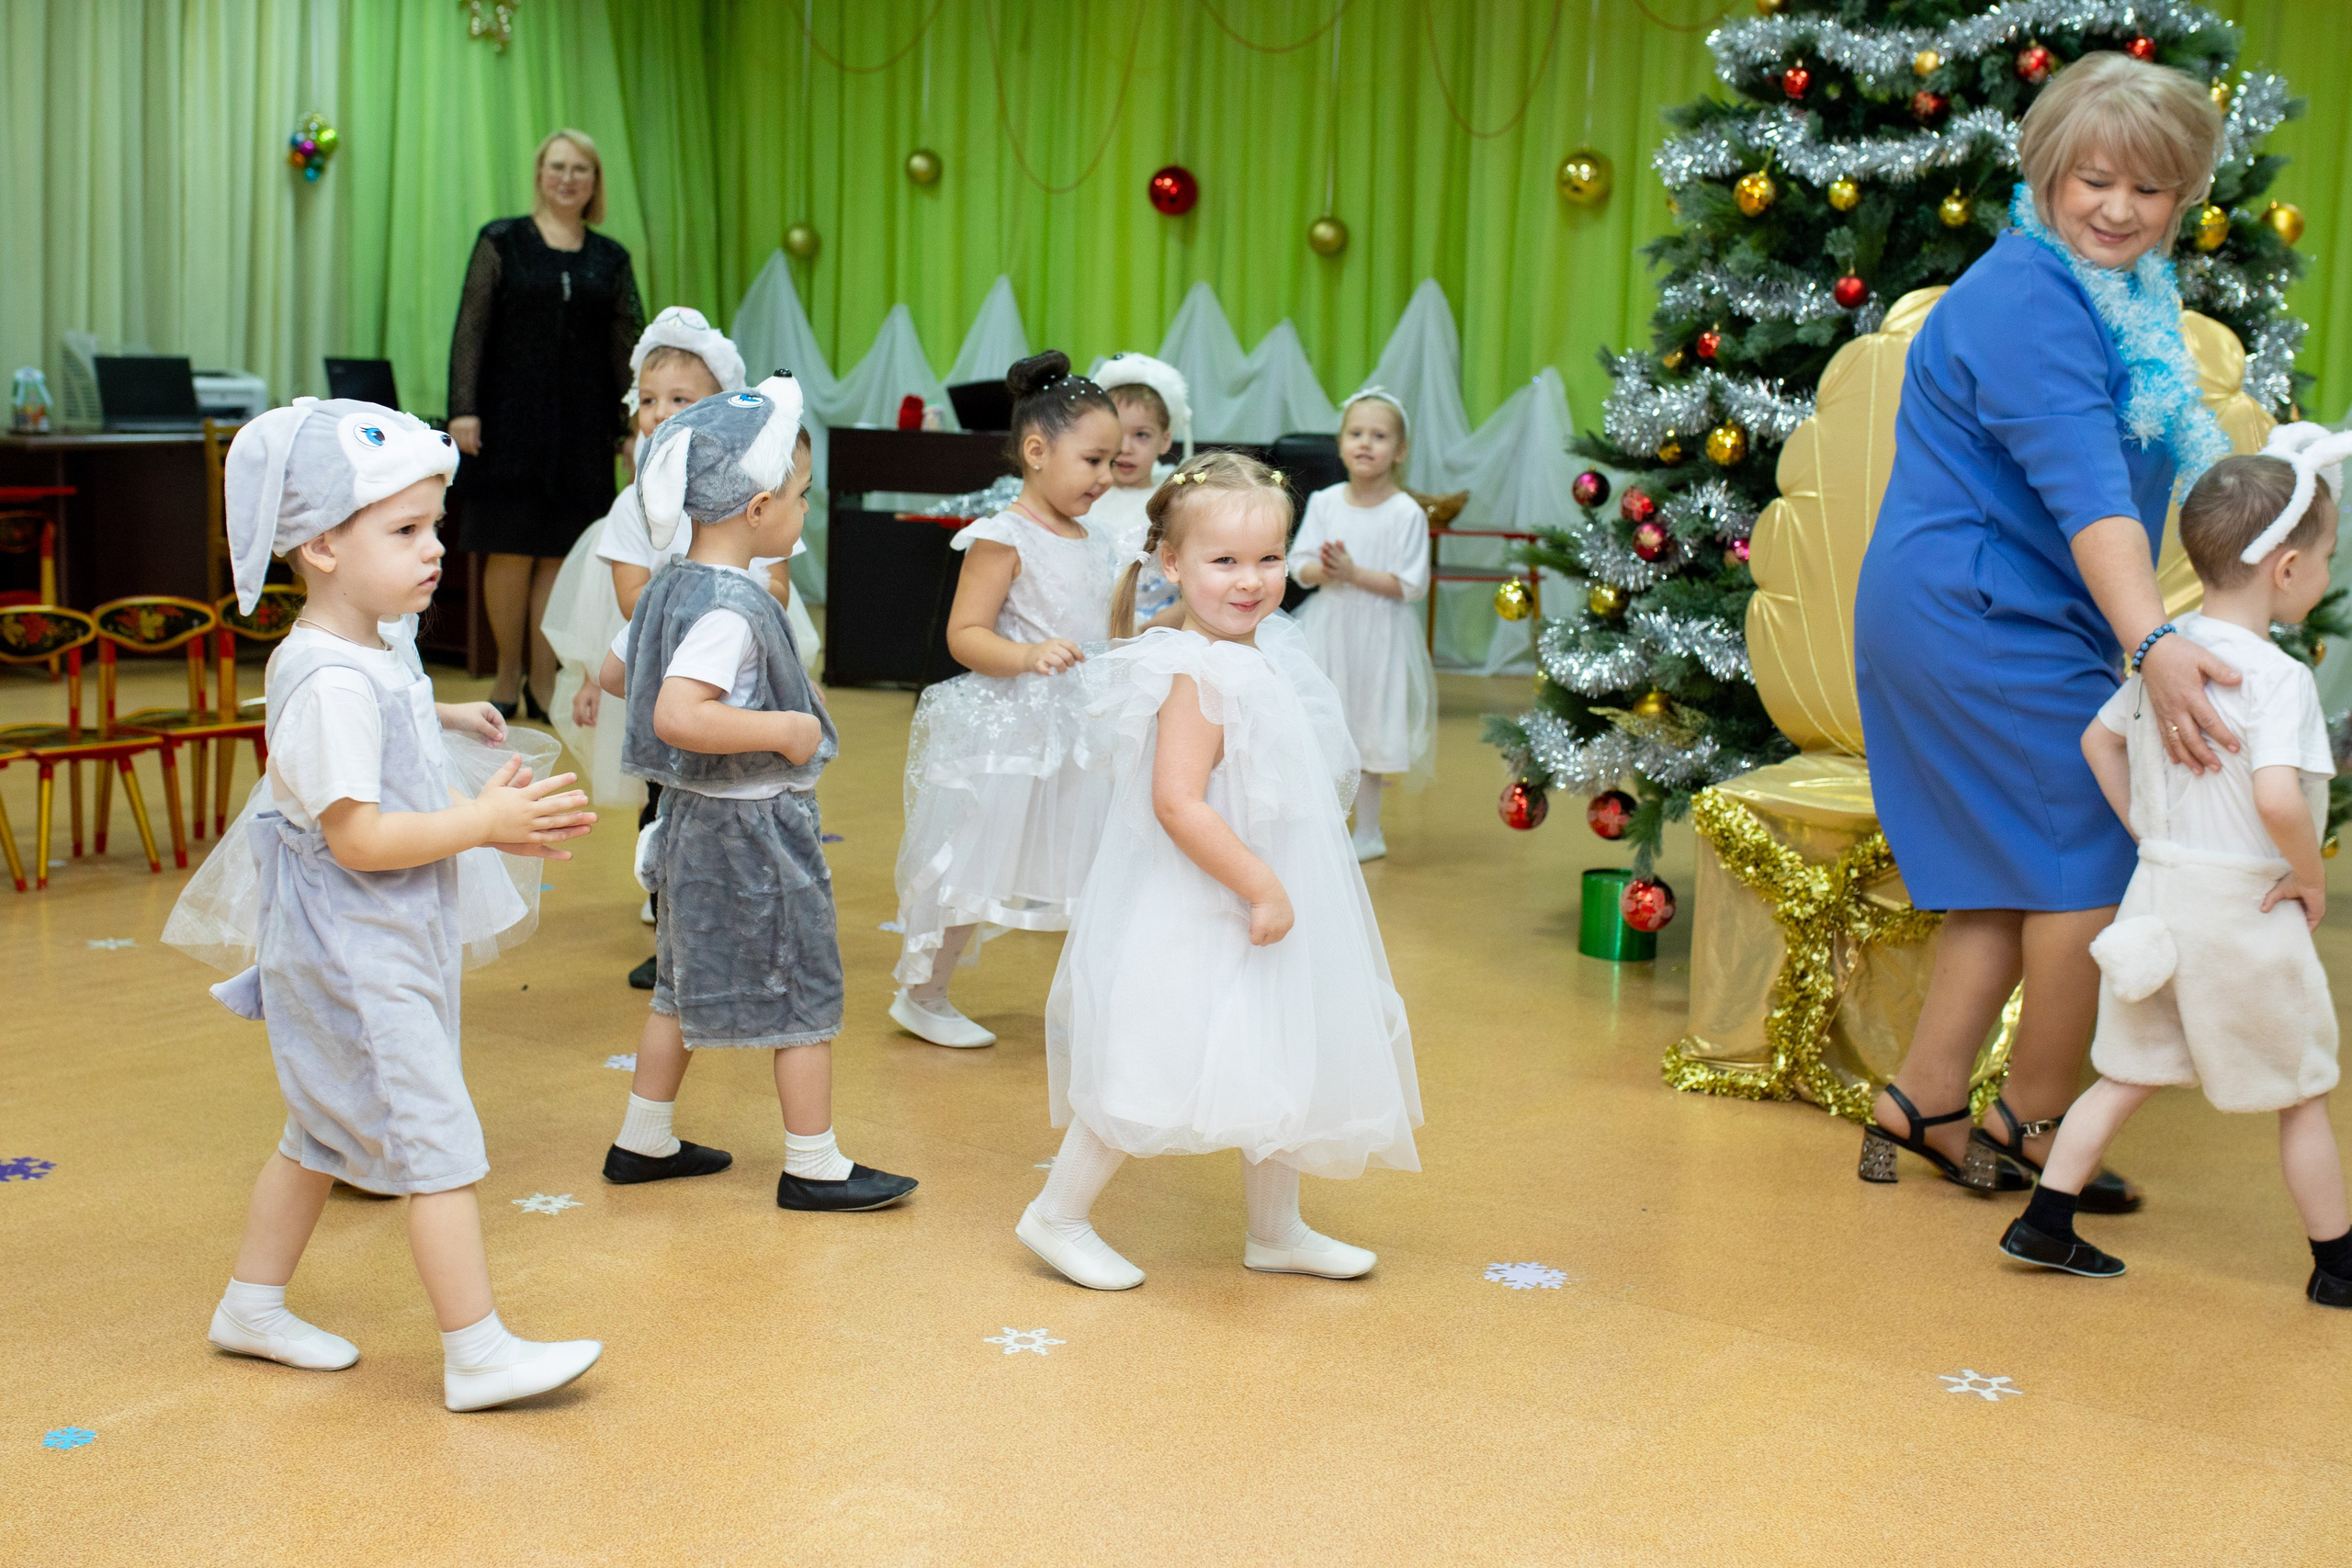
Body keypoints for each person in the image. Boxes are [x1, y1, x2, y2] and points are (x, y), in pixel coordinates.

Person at [169, 399, 604, 1411]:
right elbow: (358, 838)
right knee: (436, 1141)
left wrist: (437, 712)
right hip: (357, 951)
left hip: (380, 940)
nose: (434, 549)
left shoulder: (366, 647)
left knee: (318, 1135)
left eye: (434, 526)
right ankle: (477, 1352)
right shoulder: (329, 679)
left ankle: (251, 1306)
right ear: (321, 546)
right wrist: (483, 823)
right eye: (404, 530)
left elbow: (381, 709)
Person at [1850, 53, 2231, 1204]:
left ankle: (1923, 1101)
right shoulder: (2030, 299)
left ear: (2182, 197)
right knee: (2092, 856)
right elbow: (2090, 495)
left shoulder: (2119, 292)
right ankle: (2037, 1121)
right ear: (2045, 172)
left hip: (1999, 602)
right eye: (2093, 180)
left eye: (2149, 189)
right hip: (1978, 612)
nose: (2118, 209)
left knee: (2013, 870)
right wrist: (2154, 647)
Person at [1019, 452, 1421, 1292]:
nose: (1251, 580)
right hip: (1202, 901)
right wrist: (1261, 884)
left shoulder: (1268, 649)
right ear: (1173, 563)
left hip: (1261, 892)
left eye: (1269, 558)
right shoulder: (1194, 671)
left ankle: (1276, 1229)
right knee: (1154, 1052)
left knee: (1278, 1044)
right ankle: (1057, 1213)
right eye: (1225, 560)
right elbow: (1177, 802)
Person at [1999, 434, 2350, 1300]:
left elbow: (2098, 741)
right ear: (2288, 568)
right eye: (2328, 558)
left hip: (2156, 900)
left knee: (2125, 1074)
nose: (2328, 573)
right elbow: (2278, 798)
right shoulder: (2278, 680)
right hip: (2243, 914)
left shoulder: (2168, 656)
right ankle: (2339, 1266)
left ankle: (2045, 1220)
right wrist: (2309, 876)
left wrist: (2149, 831)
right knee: (2302, 1090)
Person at [595, 377, 915, 1213]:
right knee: (802, 986)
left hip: (688, 820)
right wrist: (784, 727)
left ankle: (643, 1137)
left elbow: (616, 672)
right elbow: (677, 712)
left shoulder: (667, 584)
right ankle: (813, 1163)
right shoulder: (733, 606)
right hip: (753, 827)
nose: (805, 509)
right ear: (760, 507)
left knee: (680, 982)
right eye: (802, 495)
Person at [538, 306, 819, 989]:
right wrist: (703, 618)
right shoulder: (644, 518)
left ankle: (712, 944)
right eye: (649, 400)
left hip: (728, 690)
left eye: (681, 402)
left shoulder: (754, 510)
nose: (659, 414)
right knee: (677, 813)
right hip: (689, 698)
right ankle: (682, 940)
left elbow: (775, 587)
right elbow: (631, 603)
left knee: (712, 824)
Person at [888, 351, 1121, 1050]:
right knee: (977, 862)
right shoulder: (1002, 536)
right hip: (1014, 727)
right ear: (1037, 451)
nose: (1106, 477)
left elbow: (1105, 628)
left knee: (1093, 864)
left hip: (1081, 727)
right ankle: (924, 994)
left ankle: (1090, 1004)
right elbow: (965, 635)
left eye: (1112, 462)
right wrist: (1026, 655)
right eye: (1093, 460)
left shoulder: (1099, 539)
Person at [448, 128, 644, 720]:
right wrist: (463, 408)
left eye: (580, 169)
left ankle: (543, 677)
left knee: (560, 555)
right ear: (540, 174)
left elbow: (626, 346)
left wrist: (633, 424)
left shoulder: (611, 258)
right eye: (557, 166)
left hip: (584, 428)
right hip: (508, 424)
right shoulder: (501, 240)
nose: (567, 178)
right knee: (510, 551)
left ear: (595, 182)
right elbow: (471, 328)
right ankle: (507, 673)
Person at [1288, 388, 1436, 861]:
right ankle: (1321, 827)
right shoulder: (1326, 501)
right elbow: (1298, 564)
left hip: (1380, 636)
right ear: (1340, 443)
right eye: (1356, 433)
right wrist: (1325, 571)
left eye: (1379, 436)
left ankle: (1368, 832)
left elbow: (1411, 584)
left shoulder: (1406, 512)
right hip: (1329, 628)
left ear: (1400, 450)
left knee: (1370, 729)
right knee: (1324, 725)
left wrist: (1353, 574)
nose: (1365, 444)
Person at [1092, 352, 1192, 630]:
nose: (1125, 448)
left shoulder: (1177, 499)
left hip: (1160, 630)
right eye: (1116, 433)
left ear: (1165, 440)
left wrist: (1164, 622)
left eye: (1141, 435)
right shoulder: (1084, 497)